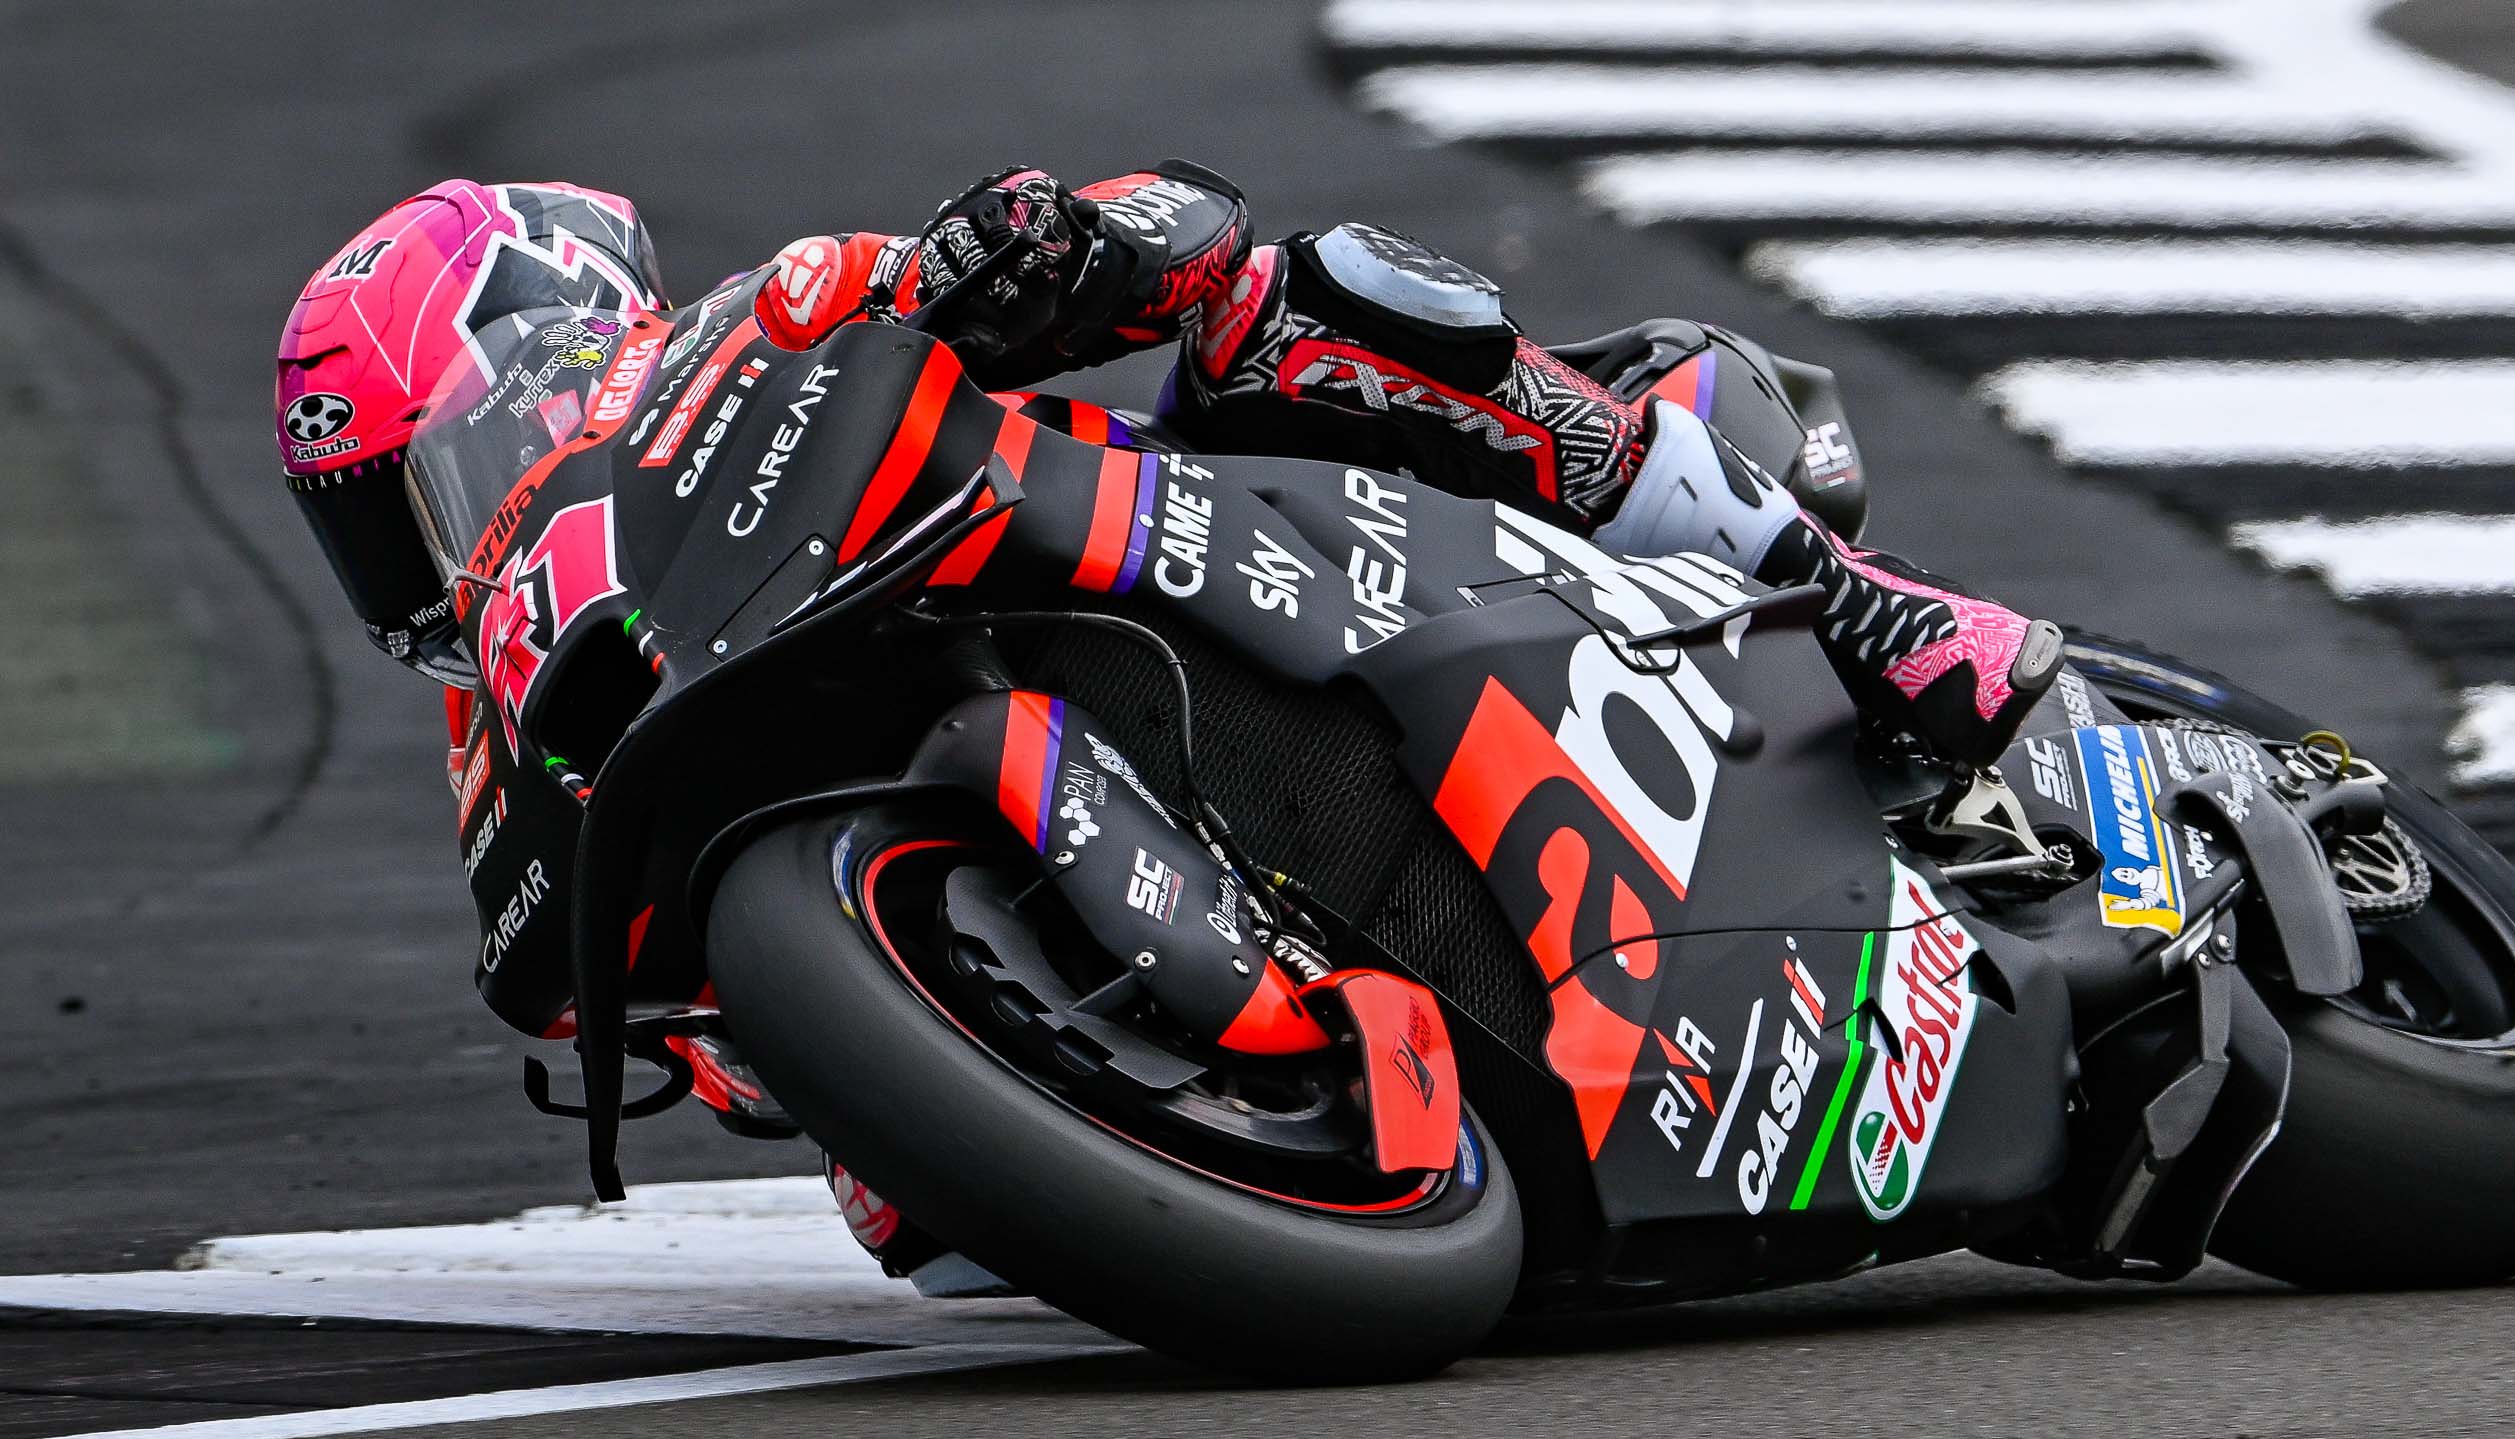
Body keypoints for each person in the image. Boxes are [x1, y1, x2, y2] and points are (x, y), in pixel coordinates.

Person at [271, 165, 2065, 1293]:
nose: (428, 550)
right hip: (1037, 950)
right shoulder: (512, 735)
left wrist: (1041, 243)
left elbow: (1157, 231)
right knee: (932, 1253)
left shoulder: (776, 320)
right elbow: (610, 1000)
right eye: (381, 528)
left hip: (1221, 547)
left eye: (422, 478)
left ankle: (1855, 599)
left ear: (554, 336)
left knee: (1322, 299)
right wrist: (752, 1039)